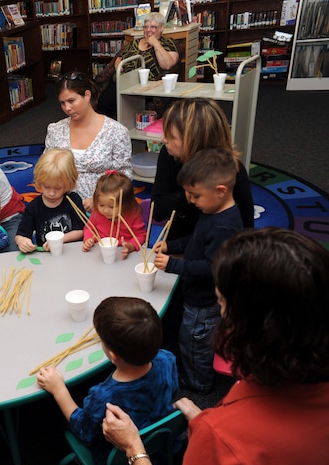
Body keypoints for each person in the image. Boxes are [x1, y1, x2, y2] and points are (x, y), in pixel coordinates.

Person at [102, 227, 329, 465]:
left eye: (221, 302)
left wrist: (133, 447)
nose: (220, 314)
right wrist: (203, 418)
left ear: (249, 326)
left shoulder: (220, 440)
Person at [36, 297, 178, 465]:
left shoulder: (103, 397)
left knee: (51, 418)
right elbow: (174, 390)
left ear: (113, 355)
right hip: (162, 442)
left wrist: (59, 390)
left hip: (117, 457)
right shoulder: (167, 359)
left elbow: (83, 430)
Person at [153, 148, 243, 393]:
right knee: (191, 338)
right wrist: (173, 245)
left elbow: (212, 268)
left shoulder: (224, 226)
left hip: (204, 303)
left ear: (220, 191)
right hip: (198, 297)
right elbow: (196, 239)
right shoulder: (212, 211)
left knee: (195, 342)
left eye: (195, 196)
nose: (191, 201)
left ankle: (198, 383)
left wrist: (173, 265)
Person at [152, 98, 254, 240]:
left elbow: (246, 230)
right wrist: (191, 193)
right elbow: (157, 210)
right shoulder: (169, 155)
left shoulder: (233, 171)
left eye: (171, 136)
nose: (163, 139)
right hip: (179, 239)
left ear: (193, 141)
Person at [45, 71, 132, 212]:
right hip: (62, 203)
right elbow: (48, 170)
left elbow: (124, 176)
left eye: (71, 101)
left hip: (105, 208)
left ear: (87, 95)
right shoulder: (56, 130)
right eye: (62, 103)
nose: (67, 108)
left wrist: (99, 200)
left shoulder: (116, 132)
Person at [95, 12, 179, 119]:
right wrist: (117, 66)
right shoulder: (134, 43)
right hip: (123, 81)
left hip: (144, 86)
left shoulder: (168, 43)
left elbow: (167, 65)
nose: (148, 30)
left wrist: (155, 44)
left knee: (124, 105)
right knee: (103, 102)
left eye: (153, 27)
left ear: (162, 28)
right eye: (146, 27)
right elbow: (119, 57)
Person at [14, 148, 85, 253]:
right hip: (46, 255)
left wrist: (59, 240)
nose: (51, 193)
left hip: (73, 252)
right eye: (47, 187)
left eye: (58, 188)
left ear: (68, 184)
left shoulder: (73, 200)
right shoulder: (33, 207)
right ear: (39, 182)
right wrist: (21, 241)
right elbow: (21, 234)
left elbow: (81, 231)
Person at [82, 170, 146, 260]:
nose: (105, 210)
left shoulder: (133, 215)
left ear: (125, 204)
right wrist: (88, 239)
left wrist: (131, 246)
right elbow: (89, 228)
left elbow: (141, 235)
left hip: (123, 254)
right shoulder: (97, 213)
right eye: (101, 205)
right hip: (100, 253)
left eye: (112, 207)